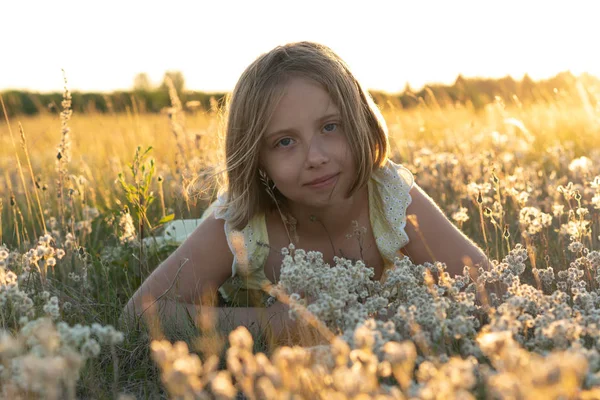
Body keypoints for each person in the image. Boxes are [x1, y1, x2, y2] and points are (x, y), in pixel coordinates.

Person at [123, 41, 489, 344]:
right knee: (154, 244)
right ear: (257, 159)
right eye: (284, 141)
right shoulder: (241, 226)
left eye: (331, 127)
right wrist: (275, 325)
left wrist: (396, 319)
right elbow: (138, 316)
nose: (315, 157)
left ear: (361, 124)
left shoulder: (388, 196)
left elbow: (493, 292)